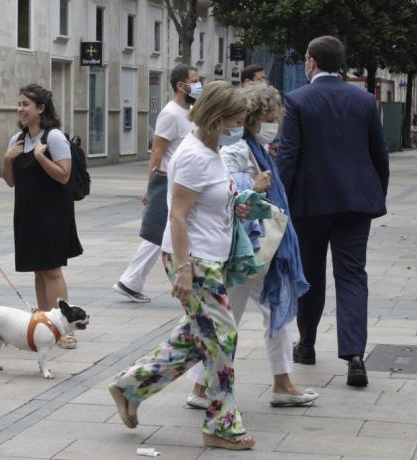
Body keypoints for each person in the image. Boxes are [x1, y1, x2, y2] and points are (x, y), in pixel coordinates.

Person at [109, 81, 255, 450]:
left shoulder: (212, 149)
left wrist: (233, 206)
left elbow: (208, 200)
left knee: (196, 337)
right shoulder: (192, 155)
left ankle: (130, 386)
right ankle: (221, 423)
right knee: (223, 337)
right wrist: (185, 269)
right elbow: (177, 216)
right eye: (237, 119)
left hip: (209, 256)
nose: (241, 126)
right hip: (194, 258)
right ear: (219, 118)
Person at [185, 84, 317, 409]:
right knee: (231, 319)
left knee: (252, 316)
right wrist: (252, 186)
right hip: (245, 249)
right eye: (272, 118)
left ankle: (212, 389)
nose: (277, 125)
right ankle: (206, 390)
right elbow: (222, 189)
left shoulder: (254, 147)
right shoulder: (238, 149)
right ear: (255, 119)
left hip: (252, 248)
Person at [277, 36, 389, 388]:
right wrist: (375, 195)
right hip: (356, 203)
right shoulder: (364, 100)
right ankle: (355, 356)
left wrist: (280, 201)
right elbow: (379, 154)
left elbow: (289, 156)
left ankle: (307, 344)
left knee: (309, 272)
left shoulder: (297, 100)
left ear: (310, 62)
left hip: (310, 204)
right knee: (353, 275)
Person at [3, 83, 83, 349]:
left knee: (52, 270)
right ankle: (46, 324)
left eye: (26, 104)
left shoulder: (54, 137)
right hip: (27, 213)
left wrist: (40, 158)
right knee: (38, 270)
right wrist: (6, 160)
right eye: (19, 104)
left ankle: (66, 328)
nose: (21, 109)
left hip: (52, 213)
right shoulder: (17, 140)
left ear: (41, 108)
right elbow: (10, 182)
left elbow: (64, 175)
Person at [112, 64, 199, 302]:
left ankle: (131, 281)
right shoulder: (170, 114)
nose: (199, 84)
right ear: (181, 86)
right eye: (195, 80)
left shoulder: (190, 111)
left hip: (180, 183)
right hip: (168, 184)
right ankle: (130, 280)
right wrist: (150, 187)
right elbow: (157, 151)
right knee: (159, 234)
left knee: (161, 234)